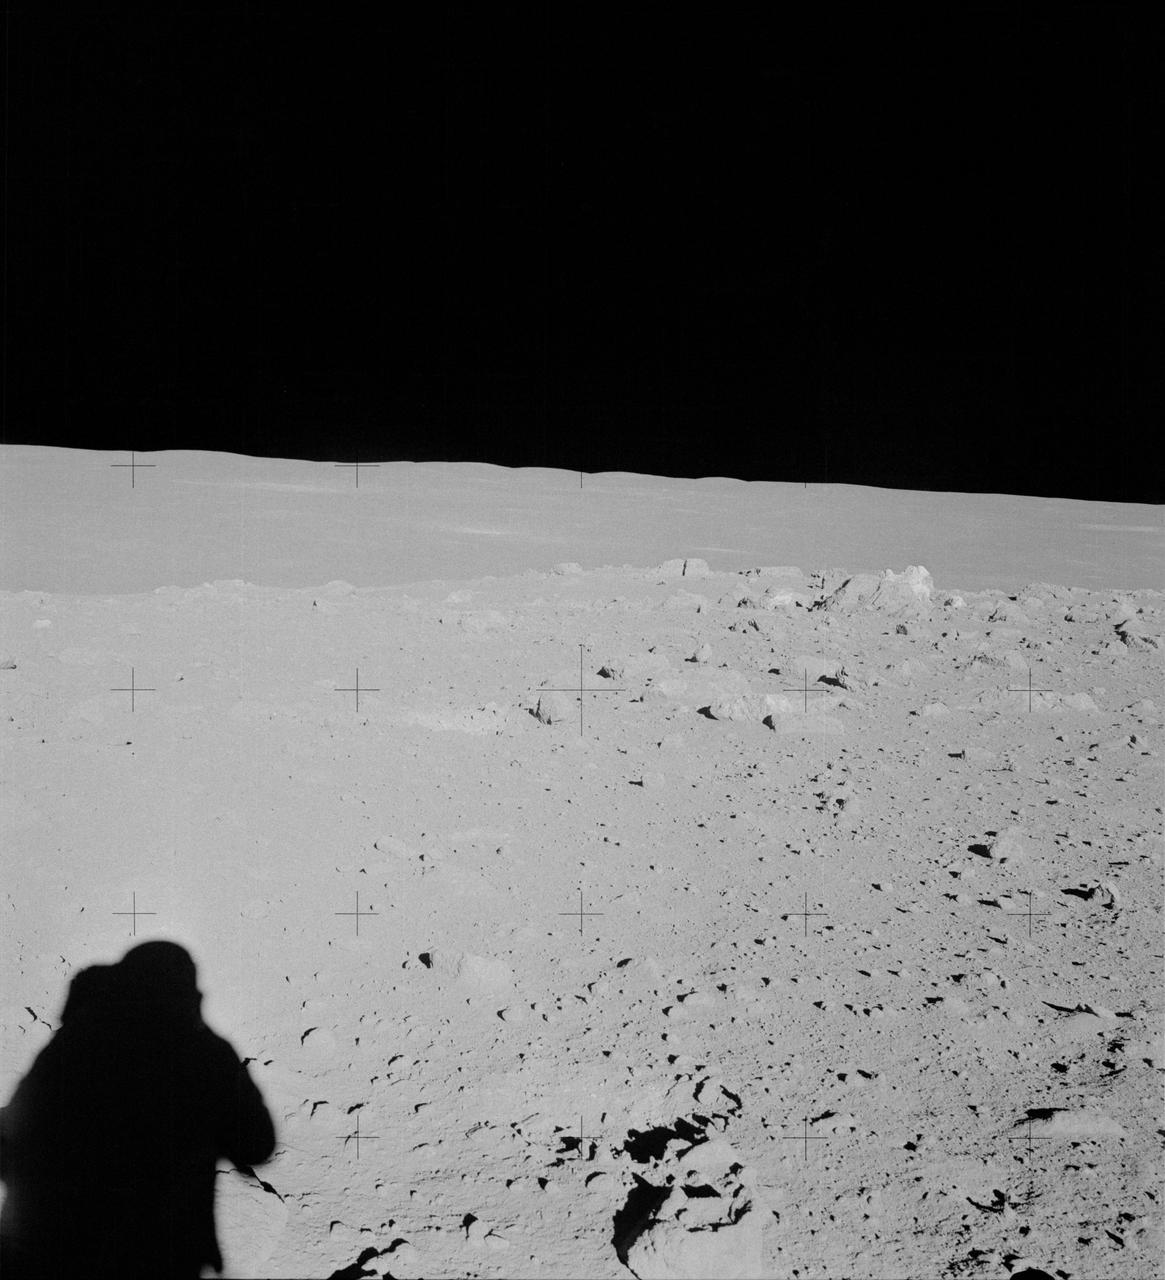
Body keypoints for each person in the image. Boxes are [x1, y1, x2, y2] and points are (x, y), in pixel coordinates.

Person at [0, 940, 276, 1279]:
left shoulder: (73, 1043)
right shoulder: (206, 1053)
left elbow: (13, 1139)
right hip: (159, 1255)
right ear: (186, 992)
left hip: (53, 1251)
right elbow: (257, 1145)